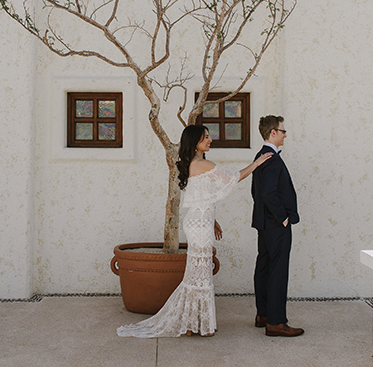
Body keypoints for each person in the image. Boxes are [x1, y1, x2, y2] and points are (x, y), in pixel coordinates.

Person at [117, 124, 272, 338]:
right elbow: (234, 177)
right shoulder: (202, 163)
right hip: (199, 223)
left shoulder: (192, 163)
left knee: (197, 274)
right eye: (205, 137)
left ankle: (193, 324)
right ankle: (199, 325)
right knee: (201, 275)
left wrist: (213, 219)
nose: (210, 140)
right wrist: (257, 163)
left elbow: (201, 196)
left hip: (199, 220)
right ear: (195, 141)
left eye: (209, 136)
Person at [251, 115, 304, 337]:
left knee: (264, 267)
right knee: (277, 271)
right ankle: (275, 321)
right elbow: (267, 193)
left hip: (264, 223)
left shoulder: (261, 156)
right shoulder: (271, 158)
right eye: (283, 131)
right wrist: (282, 217)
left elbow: (257, 192)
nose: (285, 135)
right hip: (275, 224)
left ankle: (263, 314)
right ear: (273, 132)